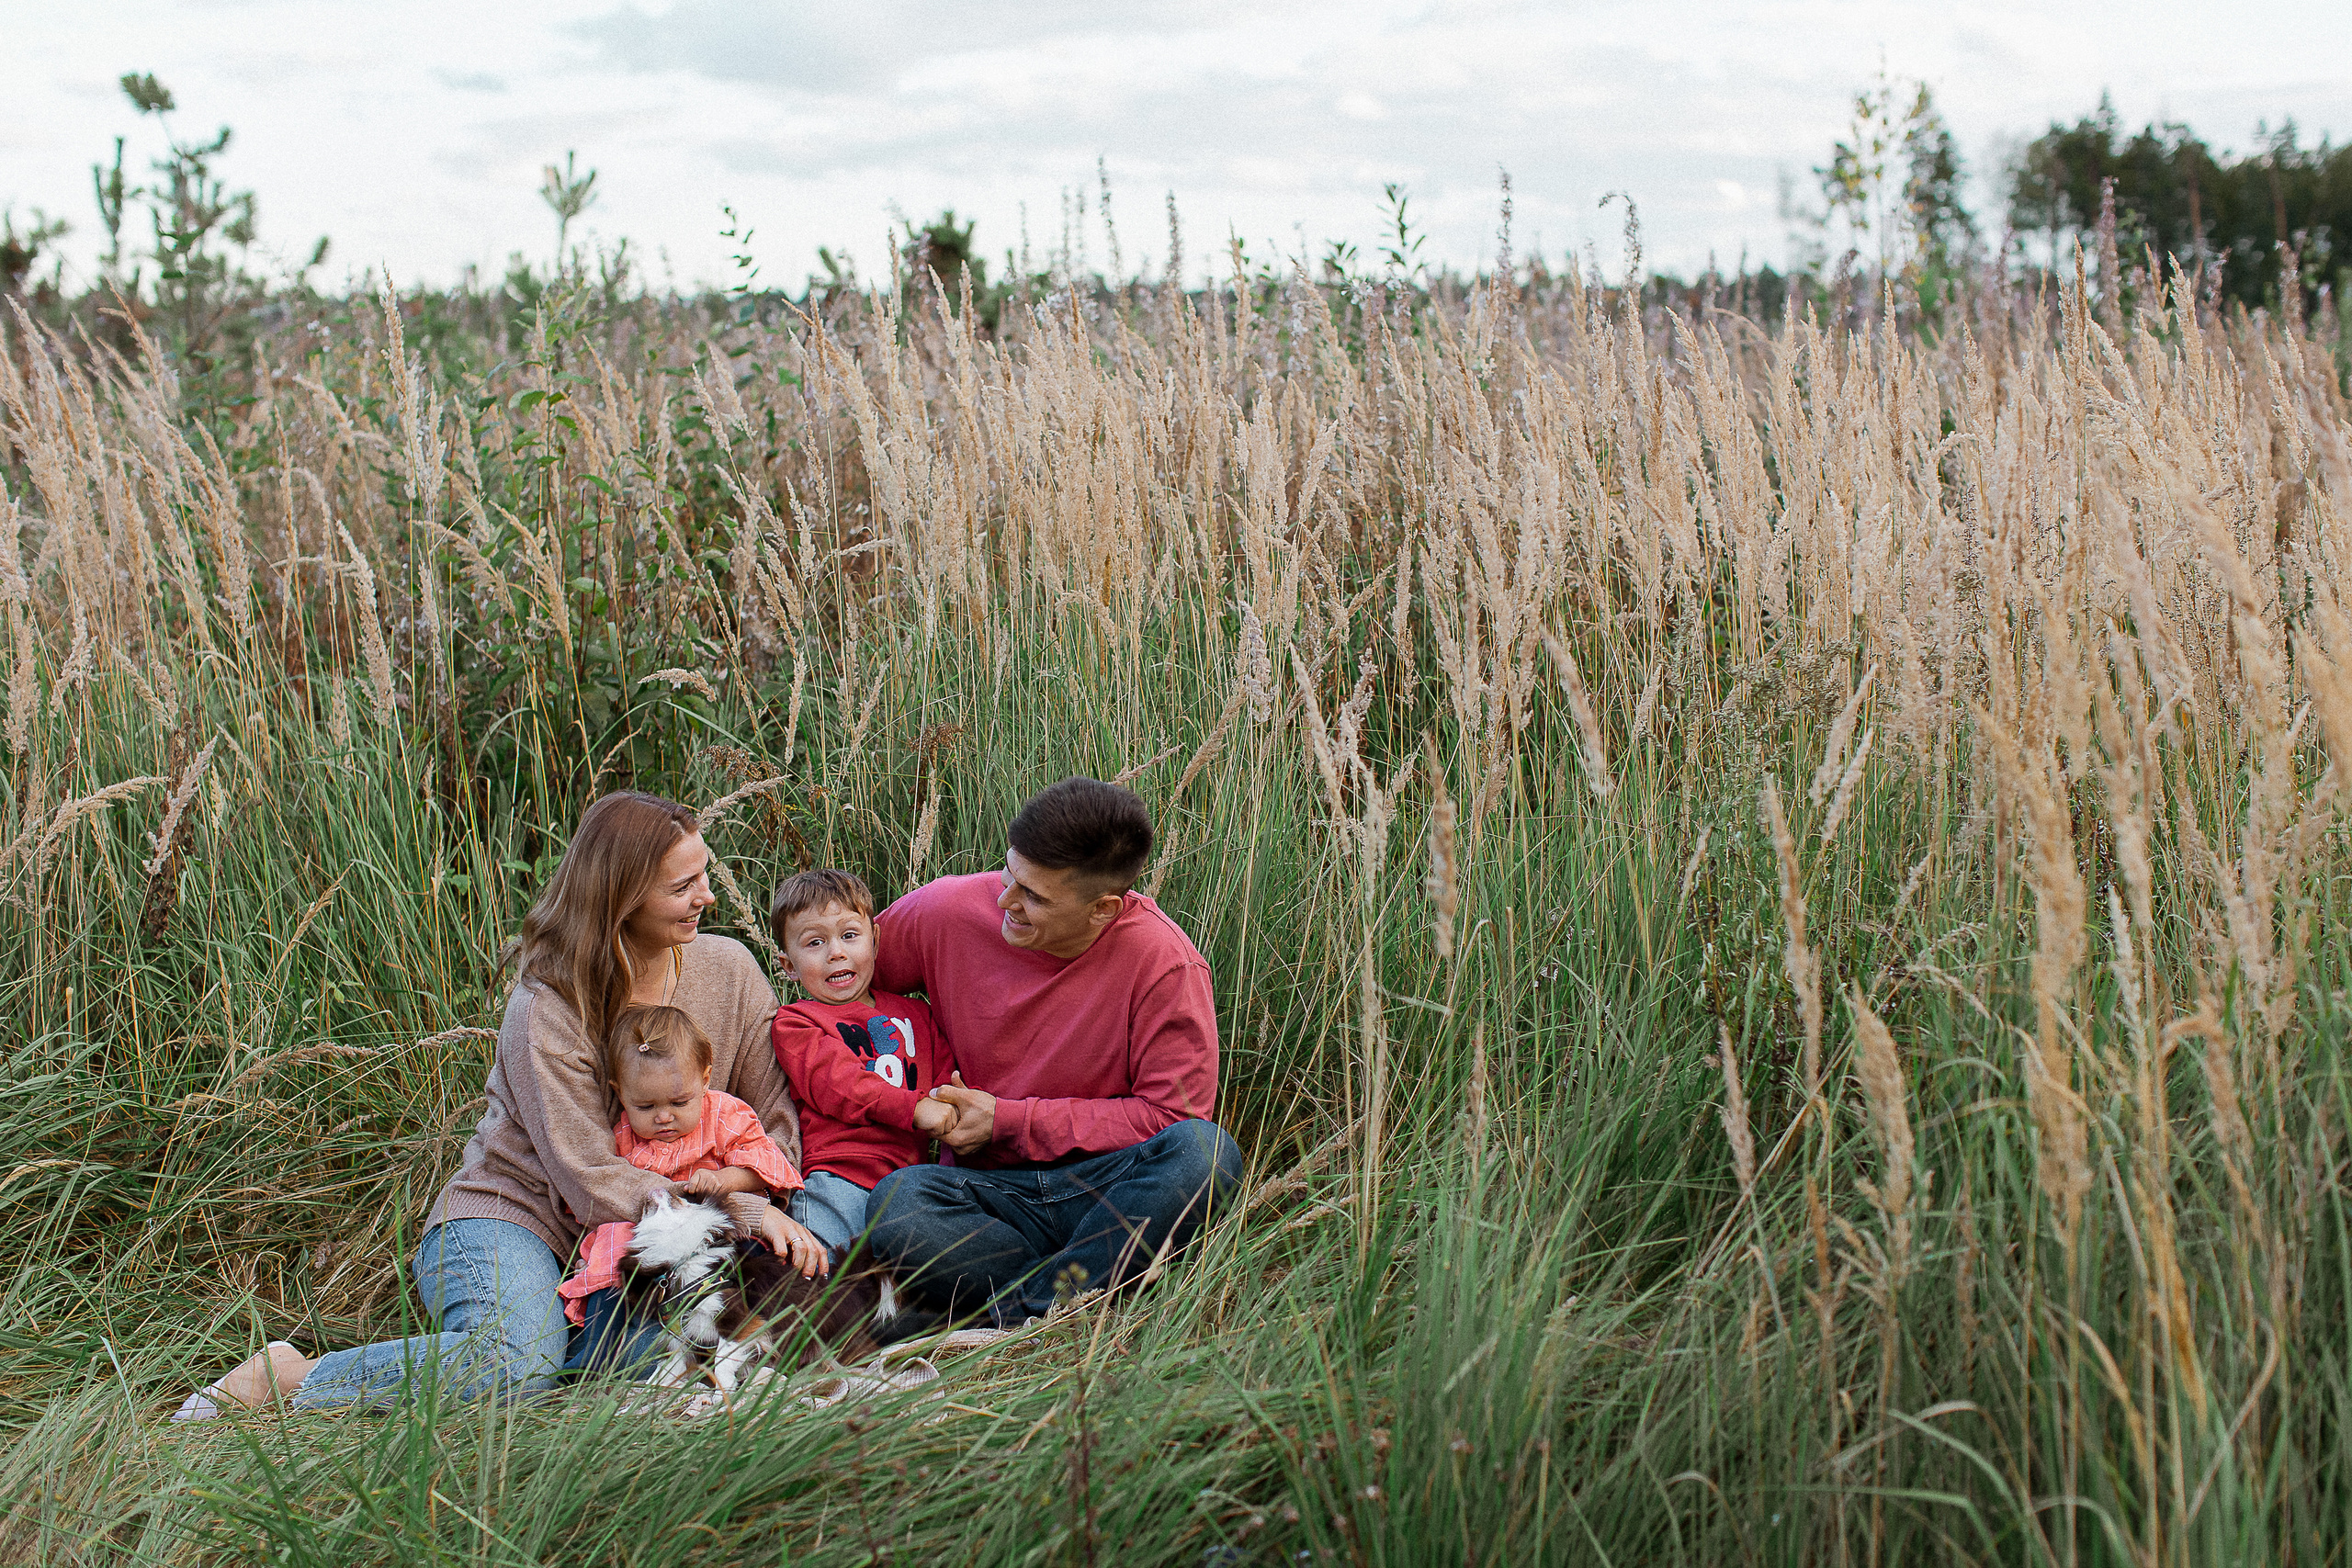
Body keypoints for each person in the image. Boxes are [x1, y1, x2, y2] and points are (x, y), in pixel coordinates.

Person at [174, 791, 820, 1418]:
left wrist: (748, 1192)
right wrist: (735, 1206)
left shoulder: (730, 971)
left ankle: (584, 1345)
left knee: (733, 1337)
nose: (706, 896)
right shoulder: (549, 1005)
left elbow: (778, 1127)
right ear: (622, 898)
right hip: (516, 1218)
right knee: (512, 1366)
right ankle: (284, 1377)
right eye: (683, 887)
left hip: (653, 1235)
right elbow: (592, 1182)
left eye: (703, 875)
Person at [865, 777, 1243, 1332]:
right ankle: (1070, 1298)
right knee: (900, 1202)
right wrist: (914, 1078)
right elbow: (839, 984)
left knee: (1204, 1156)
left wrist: (1008, 1121)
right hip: (988, 1199)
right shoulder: (947, 911)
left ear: (1103, 909)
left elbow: (1172, 1118)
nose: (1004, 902)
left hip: (1110, 1192)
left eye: (1034, 897)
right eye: (1008, 874)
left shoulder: (1165, 964)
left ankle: (1010, 1316)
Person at [557, 1003, 820, 1364]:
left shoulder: (722, 1115)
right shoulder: (621, 1136)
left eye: (679, 1102)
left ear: (705, 1079)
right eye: (646, 1106)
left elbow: (765, 1164)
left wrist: (723, 1179)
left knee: (754, 1263)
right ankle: (594, 1362)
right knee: (612, 1258)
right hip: (649, 1242)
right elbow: (599, 1188)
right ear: (620, 1094)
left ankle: (764, 1345)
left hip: (718, 1230)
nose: (664, 1117)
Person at [767, 868, 958, 1258]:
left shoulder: (917, 1015)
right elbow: (840, 1084)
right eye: (815, 942)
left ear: (876, 938)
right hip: (840, 1179)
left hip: (912, 1183)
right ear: (788, 966)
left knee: (896, 1289)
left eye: (849, 935)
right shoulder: (796, 1022)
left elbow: (946, 1081)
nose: (836, 951)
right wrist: (918, 1109)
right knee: (821, 1281)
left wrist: (955, 1107)